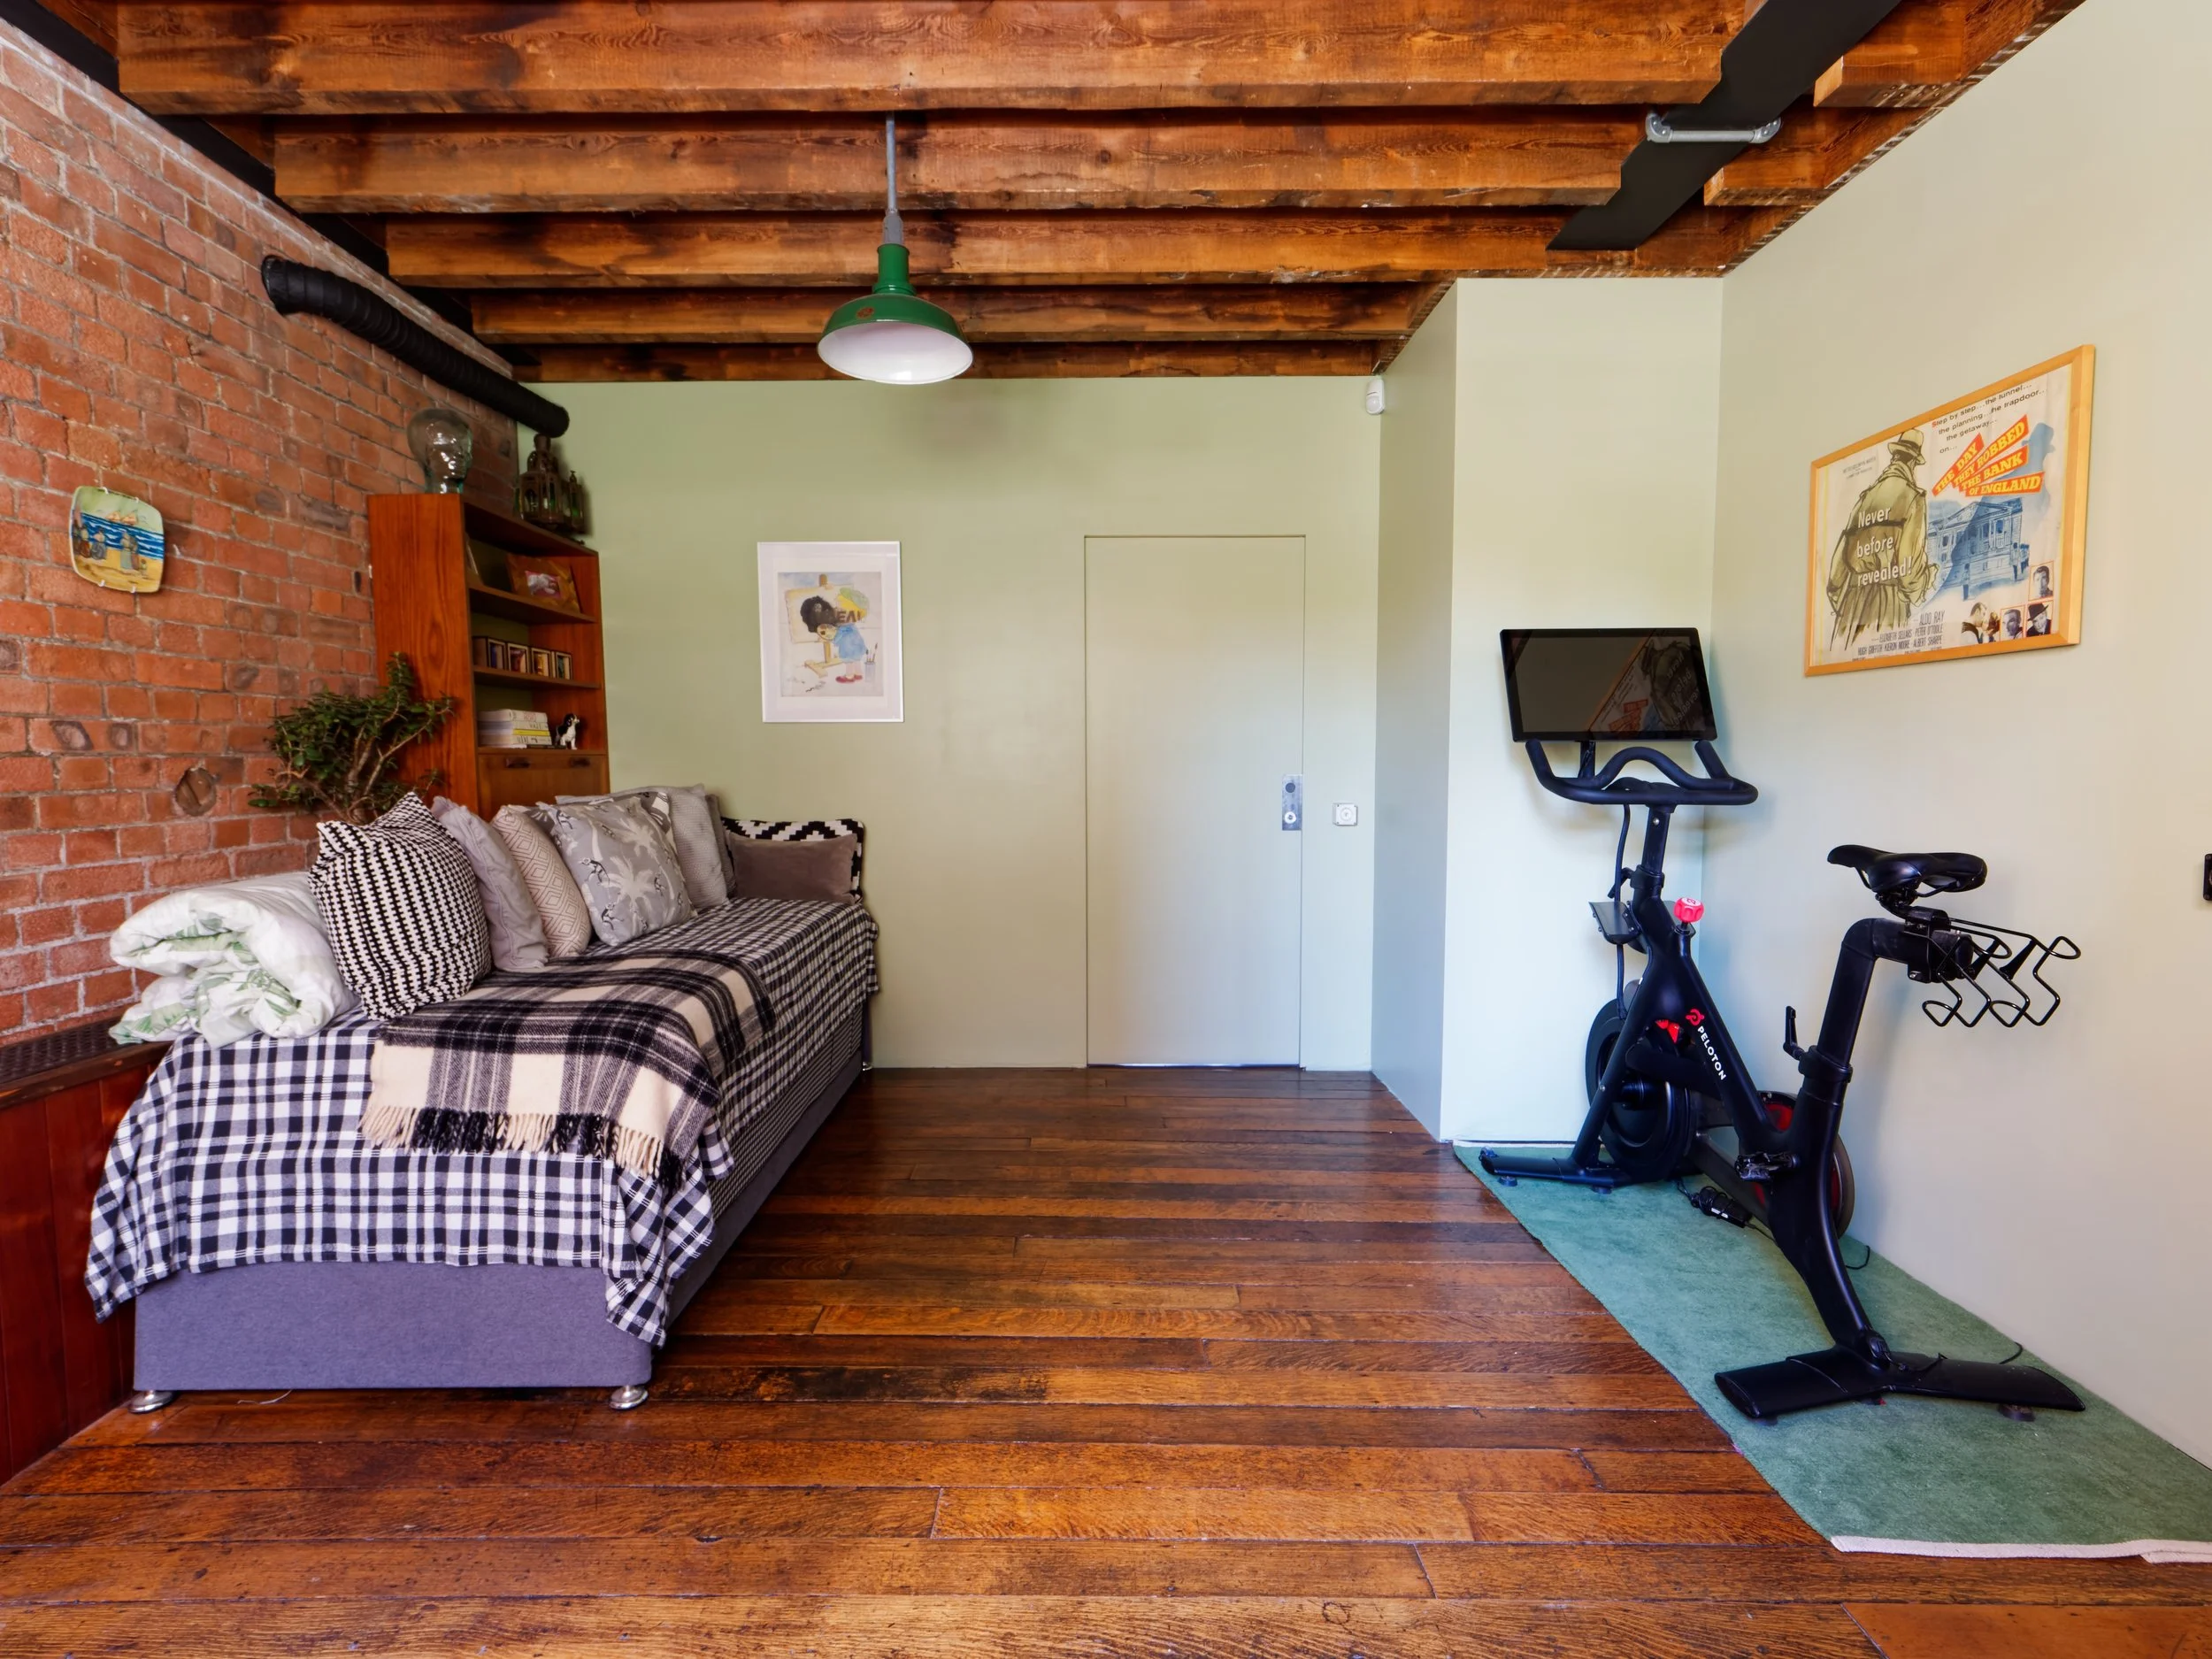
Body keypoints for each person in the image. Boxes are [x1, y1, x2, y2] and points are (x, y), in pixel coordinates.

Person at [1826, 428, 1933, 649]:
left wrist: (1842, 599)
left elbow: (1837, 571)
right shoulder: (1913, 497)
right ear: (1913, 463)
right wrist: (1926, 581)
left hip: (1852, 605)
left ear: (1895, 457)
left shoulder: (1864, 500)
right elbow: (1909, 569)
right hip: (1888, 603)